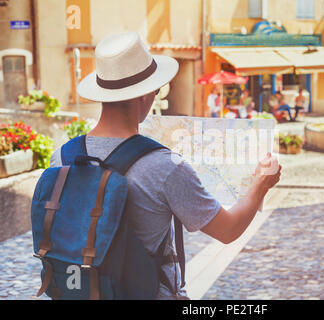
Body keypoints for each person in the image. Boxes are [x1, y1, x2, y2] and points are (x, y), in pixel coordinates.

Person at [49, 32, 281, 300]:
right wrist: (261, 184)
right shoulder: (164, 166)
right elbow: (228, 230)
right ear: (147, 94)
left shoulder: (62, 158)